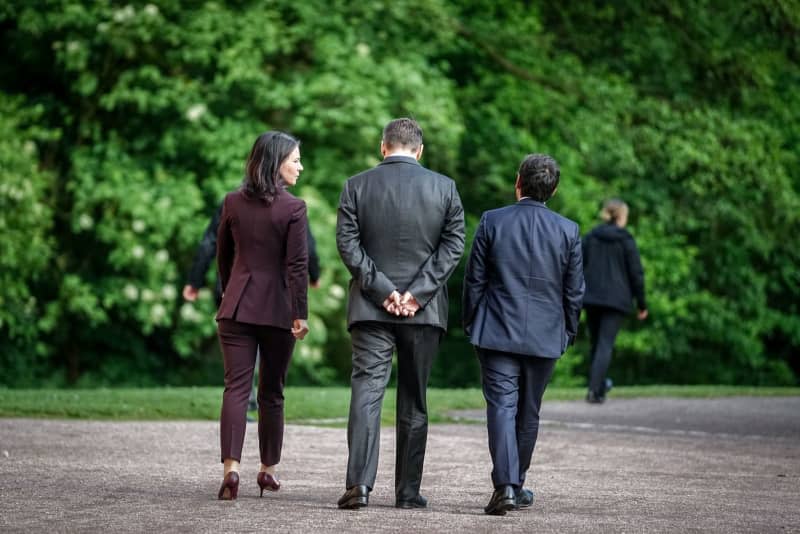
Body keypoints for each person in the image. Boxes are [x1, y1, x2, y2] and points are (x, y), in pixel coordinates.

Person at [335, 118, 465, 510]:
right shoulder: (445, 188)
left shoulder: (356, 186)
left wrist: (384, 290)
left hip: (371, 309)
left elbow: (348, 245)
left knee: (367, 394)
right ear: (420, 150)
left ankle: (359, 484)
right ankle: (407, 492)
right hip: (423, 314)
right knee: (414, 398)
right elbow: (454, 245)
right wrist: (417, 294)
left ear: (383, 147)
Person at [462, 154, 584, 515]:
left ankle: (507, 486)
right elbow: (574, 291)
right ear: (554, 189)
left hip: (497, 328)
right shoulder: (568, 230)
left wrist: (472, 322)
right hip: (546, 335)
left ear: (518, 181)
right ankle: (515, 484)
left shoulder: (492, 220)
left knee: (502, 407)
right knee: (529, 411)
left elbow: (475, 280)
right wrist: (568, 331)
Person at [214, 131, 310, 500]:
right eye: (295, 159)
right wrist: (299, 314)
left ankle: (231, 470)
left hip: (236, 306)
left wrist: (229, 292)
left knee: (235, 389)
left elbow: (224, 256)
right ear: (276, 162)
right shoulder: (294, 208)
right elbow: (297, 266)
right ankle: (267, 470)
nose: (300, 167)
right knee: (272, 392)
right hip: (278, 312)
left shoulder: (232, 202)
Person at [182, 200, 321, 413]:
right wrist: (315, 273)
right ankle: (252, 395)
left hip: (231, 288)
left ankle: (245, 395)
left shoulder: (230, 203)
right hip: (269, 292)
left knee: (241, 350)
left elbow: (210, 243)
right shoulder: (288, 206)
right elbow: (306, 246)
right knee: (264, 348)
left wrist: (195, 280)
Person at [581, 198, 647, 404]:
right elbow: (636, 273)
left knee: (596, 343)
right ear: (621, 216)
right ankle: (594, 390)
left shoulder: (591, 237)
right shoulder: (626, 240)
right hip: (616, 300)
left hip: (591, 297)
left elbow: (577, 264)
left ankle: (598, 387)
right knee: (605, 345)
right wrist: (642, 303)